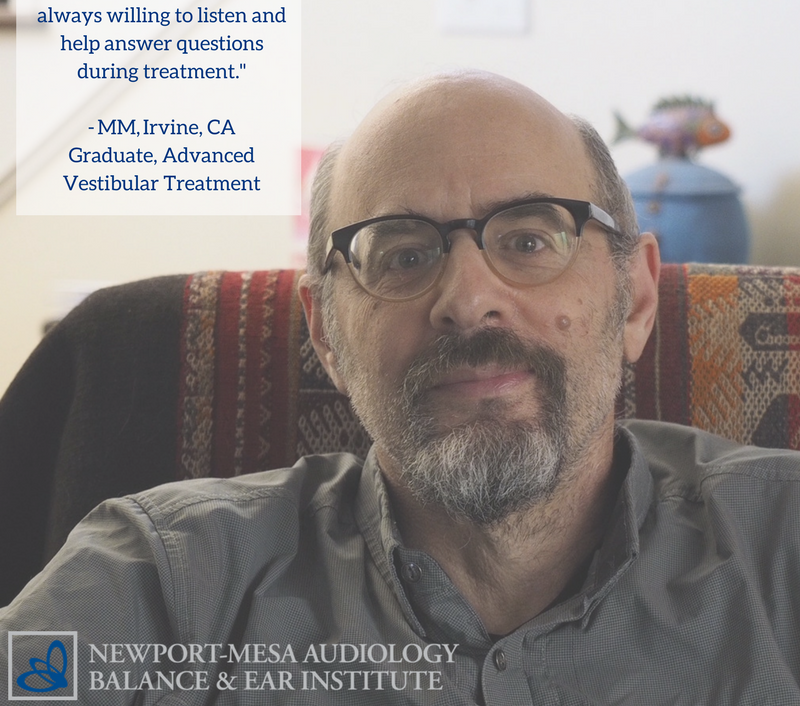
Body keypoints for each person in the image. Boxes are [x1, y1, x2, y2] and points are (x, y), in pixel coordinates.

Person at [2, 70, 800, 705]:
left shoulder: (782, 547)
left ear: (638, 300)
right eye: (403, 255)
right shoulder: (164, 581)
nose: (468, 299)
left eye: (530, 239)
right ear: (326, 333)